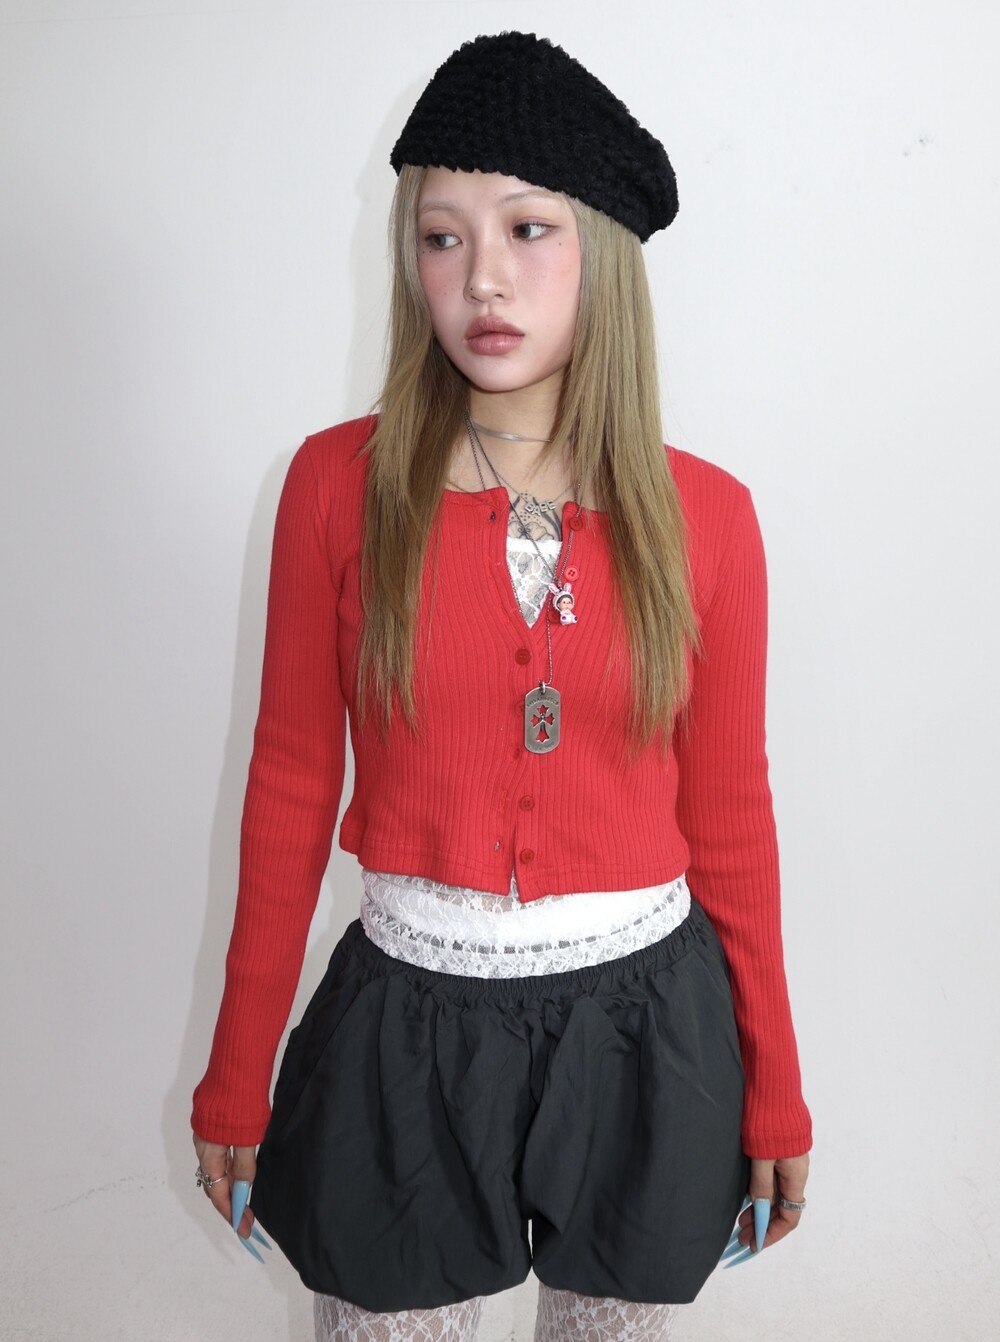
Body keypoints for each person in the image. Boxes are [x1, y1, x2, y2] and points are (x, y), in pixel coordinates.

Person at [192, 31, 811, 1342]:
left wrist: (776, 1091)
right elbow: (290, 788)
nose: (481, 276)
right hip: (403, 1026)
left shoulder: (708, 518)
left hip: (645, 1034)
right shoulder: (335, 489)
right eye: (441, 236)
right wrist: (236, 1075)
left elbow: (732, 820)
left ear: (606, 255)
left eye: (529, 229)